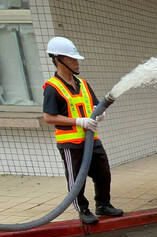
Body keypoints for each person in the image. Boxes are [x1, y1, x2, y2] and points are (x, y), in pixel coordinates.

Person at [42, 37, 123, 225]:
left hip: (92, 140)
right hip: (70, 144)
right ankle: (83, 210)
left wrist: (99, 116)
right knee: (76, 180)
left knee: (103, 174)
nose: (76, 63)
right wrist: (79, 121)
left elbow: (95, 106)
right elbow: (48, 117)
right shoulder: (52, 88)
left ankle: (103, 205)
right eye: (72, 59)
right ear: (58, 59)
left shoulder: (83, 83)